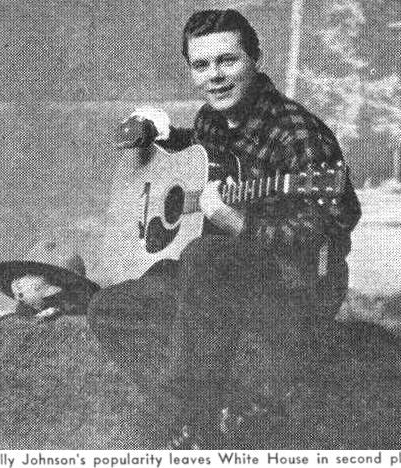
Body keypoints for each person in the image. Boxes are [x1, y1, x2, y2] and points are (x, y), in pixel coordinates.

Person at [88, 9, 361, 449]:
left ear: (255, 59)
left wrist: (236, 223)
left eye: (227, 61)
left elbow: (334, 223)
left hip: (294, 285)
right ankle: (212, 404)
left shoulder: (298, 132)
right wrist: (158, 135)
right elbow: (199, 160)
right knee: (112, 306)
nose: (214, 76)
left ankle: (195, 421)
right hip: (216, 281)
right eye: (201, 65)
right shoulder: (210, 120)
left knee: (207, 255)